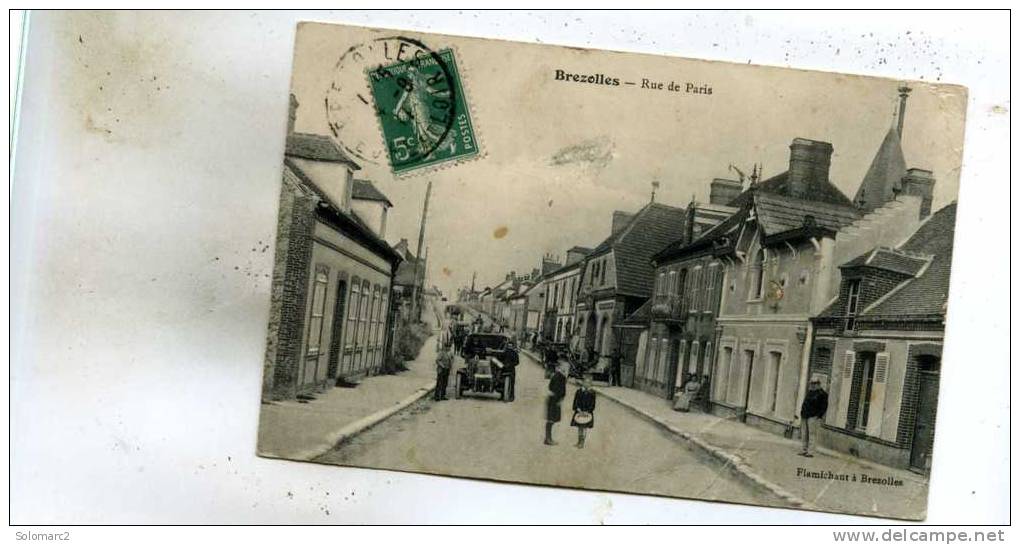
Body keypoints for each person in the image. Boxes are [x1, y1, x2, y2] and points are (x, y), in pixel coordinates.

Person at [799, 377, 829, 457]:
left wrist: (818, 416)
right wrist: (802, 412)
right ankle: (804, 450)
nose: (813, 385)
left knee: (812, 434)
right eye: (812, 383)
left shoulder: (823, 394)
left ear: (819, 384)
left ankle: (811, 451)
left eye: (814, 383)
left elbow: (824, 407)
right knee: (804, 433)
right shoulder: (810, 392)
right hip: (805, 415)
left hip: (813, 416)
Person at [544, 362, 568, 446]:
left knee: (552, 419)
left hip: (554, 399)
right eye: (564, 367)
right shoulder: (560, 377)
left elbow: (550, 387)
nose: (565, 369)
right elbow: (559, 390)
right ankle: (548, 439)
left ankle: (548, 438)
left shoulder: (557, 376)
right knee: (551, 419)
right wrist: (560, 398)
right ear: (560, 368)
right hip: (555, 400)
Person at [571, 375, 597, 448]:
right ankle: (579, 441)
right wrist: (578, 409)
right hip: (579, 411)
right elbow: (575, 402)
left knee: (584, 427)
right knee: (579, 427)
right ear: (582, 383)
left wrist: (588, 411)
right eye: (585, 382)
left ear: (590, 384)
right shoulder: (579, 391)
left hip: (587, 413)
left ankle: (582, 442)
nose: (586, 384)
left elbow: (593, 404)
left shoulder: (592, 393)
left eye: (588, 383)